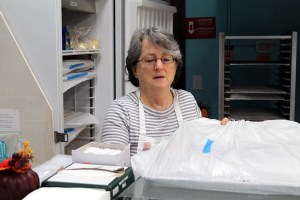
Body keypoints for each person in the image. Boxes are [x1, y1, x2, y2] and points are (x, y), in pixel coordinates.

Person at [101, 27, 227, 155]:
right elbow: (113, 167)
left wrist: (220, 135)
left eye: (166, 59)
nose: (159, 66)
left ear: (175, 65)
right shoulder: (121, 111)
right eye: (150, 60)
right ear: (134, 70)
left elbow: (201, 151)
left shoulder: (187, 101)